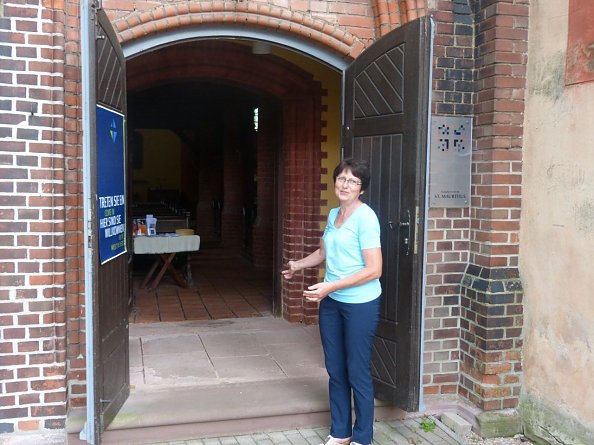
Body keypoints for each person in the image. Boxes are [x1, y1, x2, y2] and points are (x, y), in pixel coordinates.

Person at [282, 158, 382, 445]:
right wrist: (297, 265)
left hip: (360, 304)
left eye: (352, 181)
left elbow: (374, 269)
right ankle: (341, 432)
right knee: (335, 369)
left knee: (357, 370)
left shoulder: (366, 218)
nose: (345, 184)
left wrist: (331, 286)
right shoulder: (334, 214)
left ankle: (364, 437)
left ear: (361, 189)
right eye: (341, 178)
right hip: (332, 302)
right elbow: (323, 252)